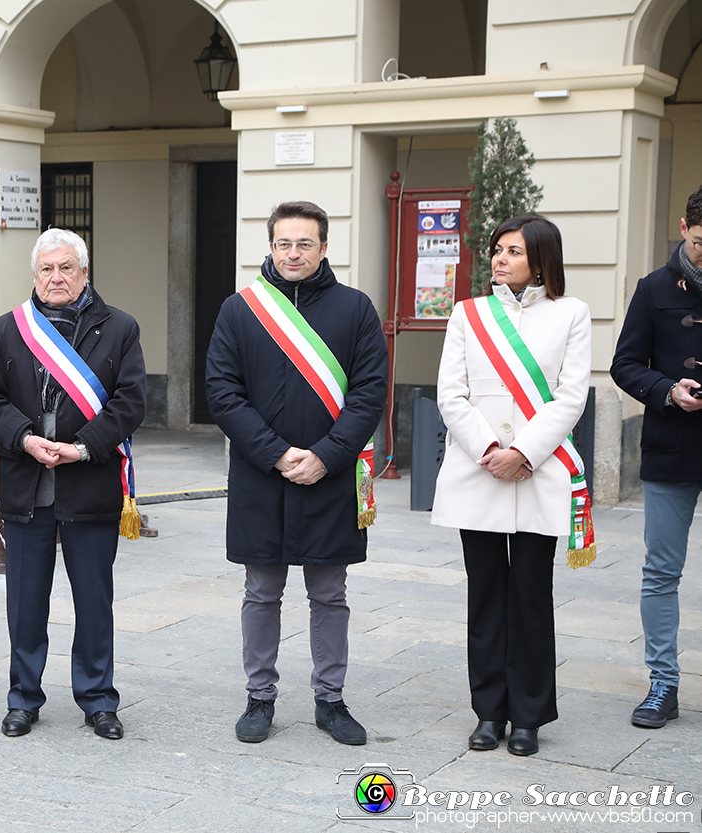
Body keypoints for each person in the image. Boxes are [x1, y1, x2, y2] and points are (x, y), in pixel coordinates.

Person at [206, 201, 388, 746]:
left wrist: (327, 455)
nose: (293, 253)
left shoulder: (356, 309)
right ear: (270, 246)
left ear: (325, 248)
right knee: (261, 589)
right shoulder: (240, 310)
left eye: (304, 244)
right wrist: (277, 453)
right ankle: (259, 698)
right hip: (262, 475)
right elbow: (221, 391)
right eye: (283, 243)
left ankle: (330, 702)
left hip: (329, 475)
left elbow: (369, 392)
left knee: (330, 591)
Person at [0, 228, 145, 740]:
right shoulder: (9, 329)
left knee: (94, 600)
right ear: (34, 275)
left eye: (66, 268)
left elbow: (131, 402)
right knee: (26, 602)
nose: (56, 278)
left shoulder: (120, 328)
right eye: (46, 269)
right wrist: (24, 438)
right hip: (27, 484)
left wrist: (84, 446)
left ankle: (97, 700)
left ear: (84, 273)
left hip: (89, 483)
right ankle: (23, 698)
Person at [431, 215, 592, 757]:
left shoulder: (572, 314)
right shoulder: (468, 314)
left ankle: (528, 716)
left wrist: (523, 451)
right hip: (479, 469)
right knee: (485, 595)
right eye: (497, 250)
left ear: (542, 258)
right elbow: (451, 394)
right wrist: (490, 451)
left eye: (513, 251)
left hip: (538, 468)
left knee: (529, 594)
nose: (499, 259)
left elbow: (571, 396)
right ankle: (489, 712)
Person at [610, 184, 702, 731]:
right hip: (673, 444)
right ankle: (662, 683)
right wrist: (668, 390)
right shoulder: (651, 288)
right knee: (661, 571)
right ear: (687, 228)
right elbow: (625, 365)